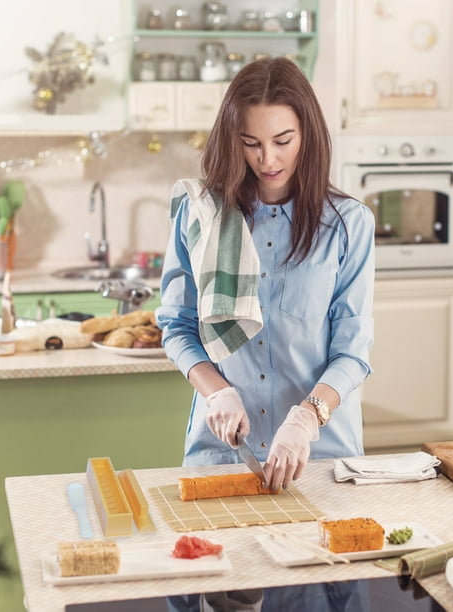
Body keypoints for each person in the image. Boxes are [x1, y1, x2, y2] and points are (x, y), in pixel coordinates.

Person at [156, 57, 375, 611]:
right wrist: (216, 390)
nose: (268, 159)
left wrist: (307, 418)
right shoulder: (200, 214)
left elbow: (353, 350)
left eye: (283, 140)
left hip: (320, 457)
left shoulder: (348, 225)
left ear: (309, 134)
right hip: (223, 457)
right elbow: (178, 326)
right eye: (251, 143)